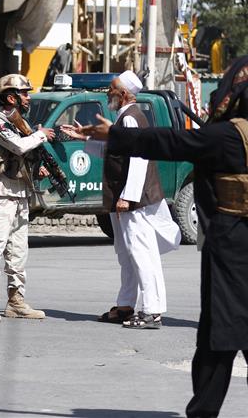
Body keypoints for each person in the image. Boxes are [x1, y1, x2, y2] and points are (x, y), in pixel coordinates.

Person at [76, 56, 248, 417]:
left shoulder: (229, 136)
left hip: (232, 253)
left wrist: (115, 134)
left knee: (216, 349)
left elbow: (172, 142)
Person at [62, 71, 181, 328]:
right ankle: (126, 305)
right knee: (127, 254)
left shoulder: (131, 119)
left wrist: (128, 197)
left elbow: (138, 159)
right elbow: (114, 151)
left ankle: (152, 310)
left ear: (124, 93)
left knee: (141, 253)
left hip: (133, 200)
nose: (108, 93)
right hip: (126, 198)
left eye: (112, 89)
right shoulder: (124, 118)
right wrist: (84, 138)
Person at [0, 74, 54, 322]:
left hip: (20, 193)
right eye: (24, 93)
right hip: (0, 195)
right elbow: (19, 146)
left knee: (18, 252)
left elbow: (20, 156)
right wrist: (41, 134)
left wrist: (36, 168)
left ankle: (16, 301)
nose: (28, 98)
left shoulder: (18, 122)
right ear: (11, 97)